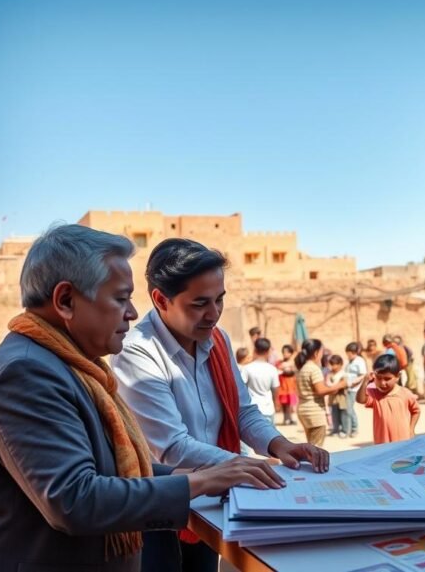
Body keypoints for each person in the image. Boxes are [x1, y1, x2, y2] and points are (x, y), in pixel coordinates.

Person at [0, 225, 285, 572]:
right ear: (65, 301)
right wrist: (203, 479)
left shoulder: (72, 367)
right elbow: (76, 499)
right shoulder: (26, 374)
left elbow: (112, 466)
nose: (131, 314)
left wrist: (210, 475)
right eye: (120, 299)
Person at [111, 238, 328, 571]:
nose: (213, 314)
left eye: (219, 300)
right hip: (162, 503)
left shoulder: (218, 339)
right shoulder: (137, 351)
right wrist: (246, 465)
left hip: (212, 499)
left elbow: (242, 411)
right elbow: (171, 447)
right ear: (160, 299)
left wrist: (279, 444)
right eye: (199, 304)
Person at [294, 338, 348, 445]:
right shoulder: (314, 369)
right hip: (314, 412)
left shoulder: (303, 368)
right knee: (317, 448)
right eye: (322, 351)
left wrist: (331, 388)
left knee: (311, 445)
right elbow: (320, 390)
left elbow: (314, 389)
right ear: (316, 353)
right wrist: (340, 385)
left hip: (304, 410)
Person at [356, 354, 420, 444]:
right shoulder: (374, 394)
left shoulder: (405, 393)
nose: (382, 383)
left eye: (387, 379)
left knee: (402, 458)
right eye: (378, 378)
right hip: (382, 443)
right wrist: (365, 381)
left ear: (398, 376)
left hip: (403, 441)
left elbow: (416, 411)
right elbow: (360, 400)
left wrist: (411, 429)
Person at [241, 337, 279, 428]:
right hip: (268, 410)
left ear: (255, 350)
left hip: (252, 410)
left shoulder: (247, 368)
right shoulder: (272, 369)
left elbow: (241, 387)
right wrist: (276, 404)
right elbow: (276, 389)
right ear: (268, 351)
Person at [343, 342, 367, 437]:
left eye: (349, 353)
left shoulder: (359, 361)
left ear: (353, 352)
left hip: (354, 388)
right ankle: (349, 428)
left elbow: (363, 375)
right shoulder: (349, 361)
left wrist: (354, 383)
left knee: (349, 408)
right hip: (348, 387)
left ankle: (354, 428)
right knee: (348, 408)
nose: (348, 355)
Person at [325, 354, 349, 438]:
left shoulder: (343, 374)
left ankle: (344, 430)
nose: (333, 366)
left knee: (343, 414)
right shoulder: (329, 374)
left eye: (335, 364)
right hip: (333, 397)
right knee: (334, 414)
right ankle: (335, 430)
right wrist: (332, 387)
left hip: (341, 397)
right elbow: (327, 383)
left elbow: (344, 384)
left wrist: (335, 387)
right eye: (332, 364)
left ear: (340, 364)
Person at [277, 344, 298, 425]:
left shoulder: (293, 363)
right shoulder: (280, 363)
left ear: (291, 353)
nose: (285, 354)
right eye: (284, 352)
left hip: (290, 385)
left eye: (287, 352)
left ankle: (289, 418)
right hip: (283, 385)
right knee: (284, 402)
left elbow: (293, 371)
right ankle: (286, 418)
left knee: (289, 403)